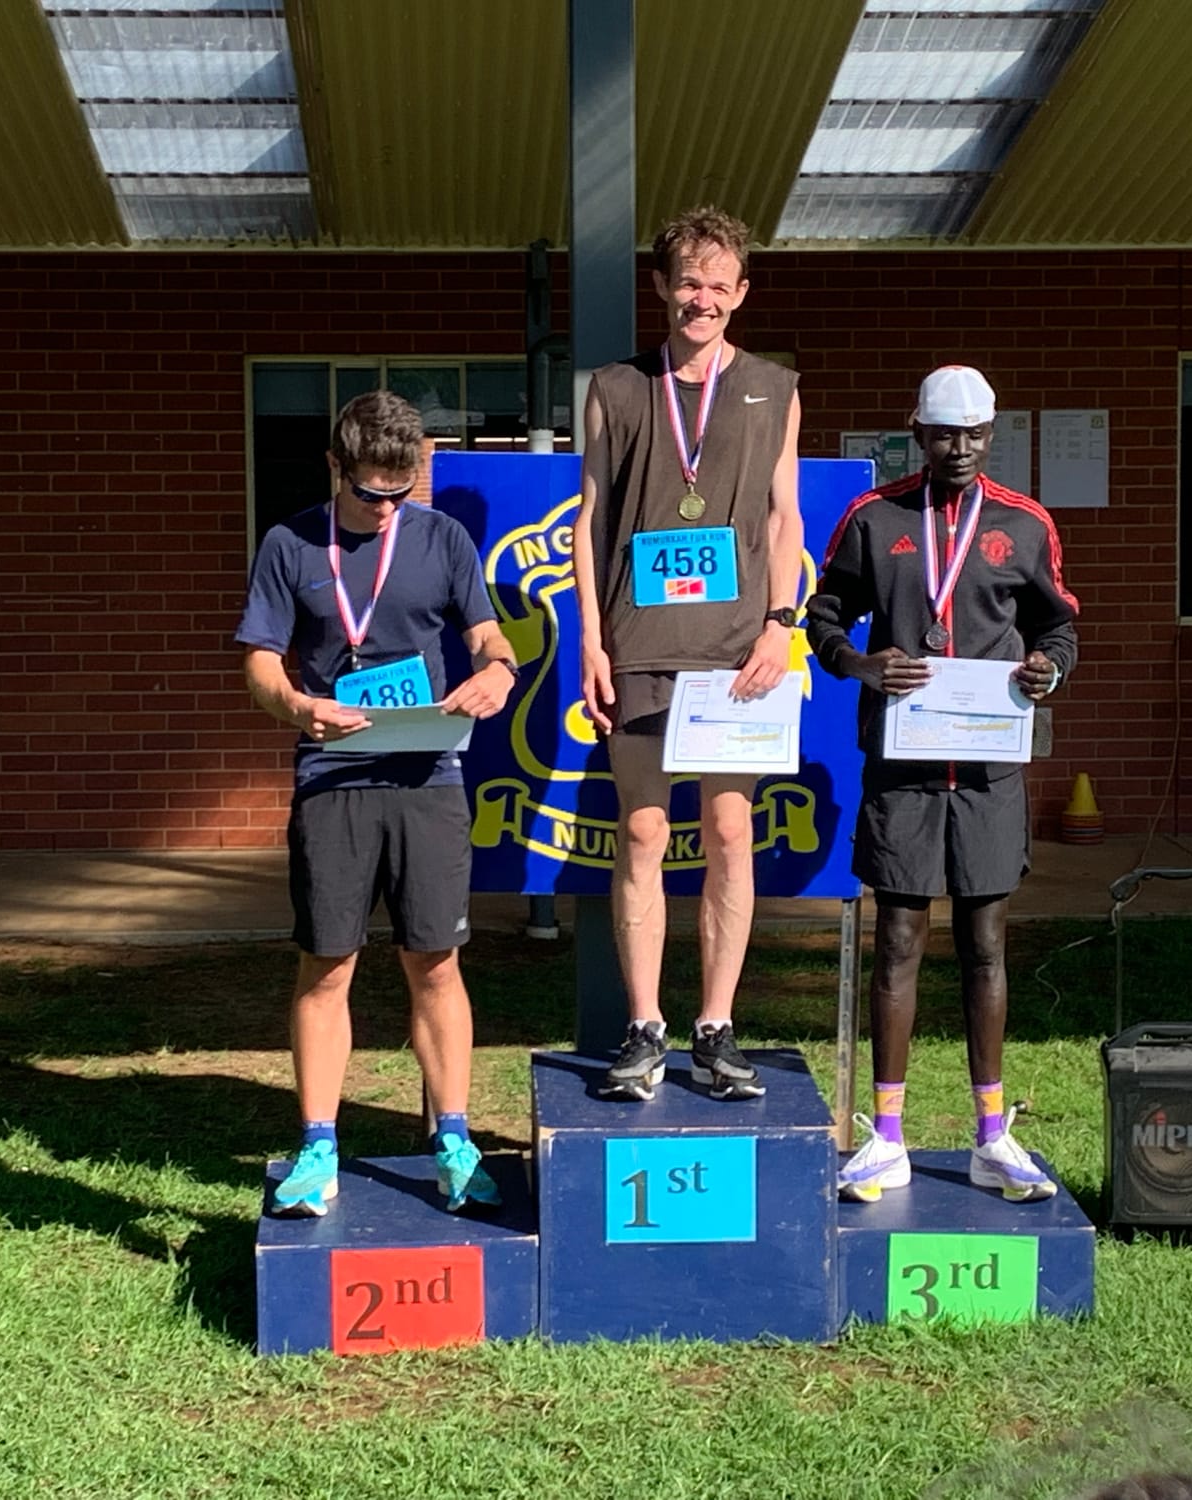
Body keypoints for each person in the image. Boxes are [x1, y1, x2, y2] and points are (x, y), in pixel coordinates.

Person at [236, 391, 520, 1215]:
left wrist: (499, 671)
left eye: (402, 491)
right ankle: (318, 1147)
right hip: (334, 777)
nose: (388, 507)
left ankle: (454, 1140)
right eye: (370, 493)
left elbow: (486, 633)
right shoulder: (290, 542)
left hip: (428, 776)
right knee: (328, 964)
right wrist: (299, 706)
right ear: (335, 467)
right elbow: (260, 663)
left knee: (436, 960)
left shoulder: (444, 538)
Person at [804, 365, 1079, 1202]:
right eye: (945, 433)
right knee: (897, 940)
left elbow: (1058, 624)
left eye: (975, 435)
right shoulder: (874, 517)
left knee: (986, 945)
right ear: (917, 432)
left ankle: (991, 1134)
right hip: (904, 768)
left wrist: (1047, 669)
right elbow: (824, 614)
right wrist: (859, 663)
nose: (960, 449)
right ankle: (886, 1137)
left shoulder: (1024, 524)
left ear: (992, 435)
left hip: (988, 768)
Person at [571, 205, 803, 1102]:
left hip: (738, 650)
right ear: (661, 287)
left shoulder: (775, 386)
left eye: (718, 284)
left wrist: (781, 623)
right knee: (641, 831)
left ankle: (716, 1025)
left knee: (731, 833)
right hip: (639, 642)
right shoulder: (616, 388)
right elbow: (590, 519)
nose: (701, 299)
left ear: (740, 293)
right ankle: (644, 1028)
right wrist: (591, 639)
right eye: (687, 282)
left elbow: (784, 517)